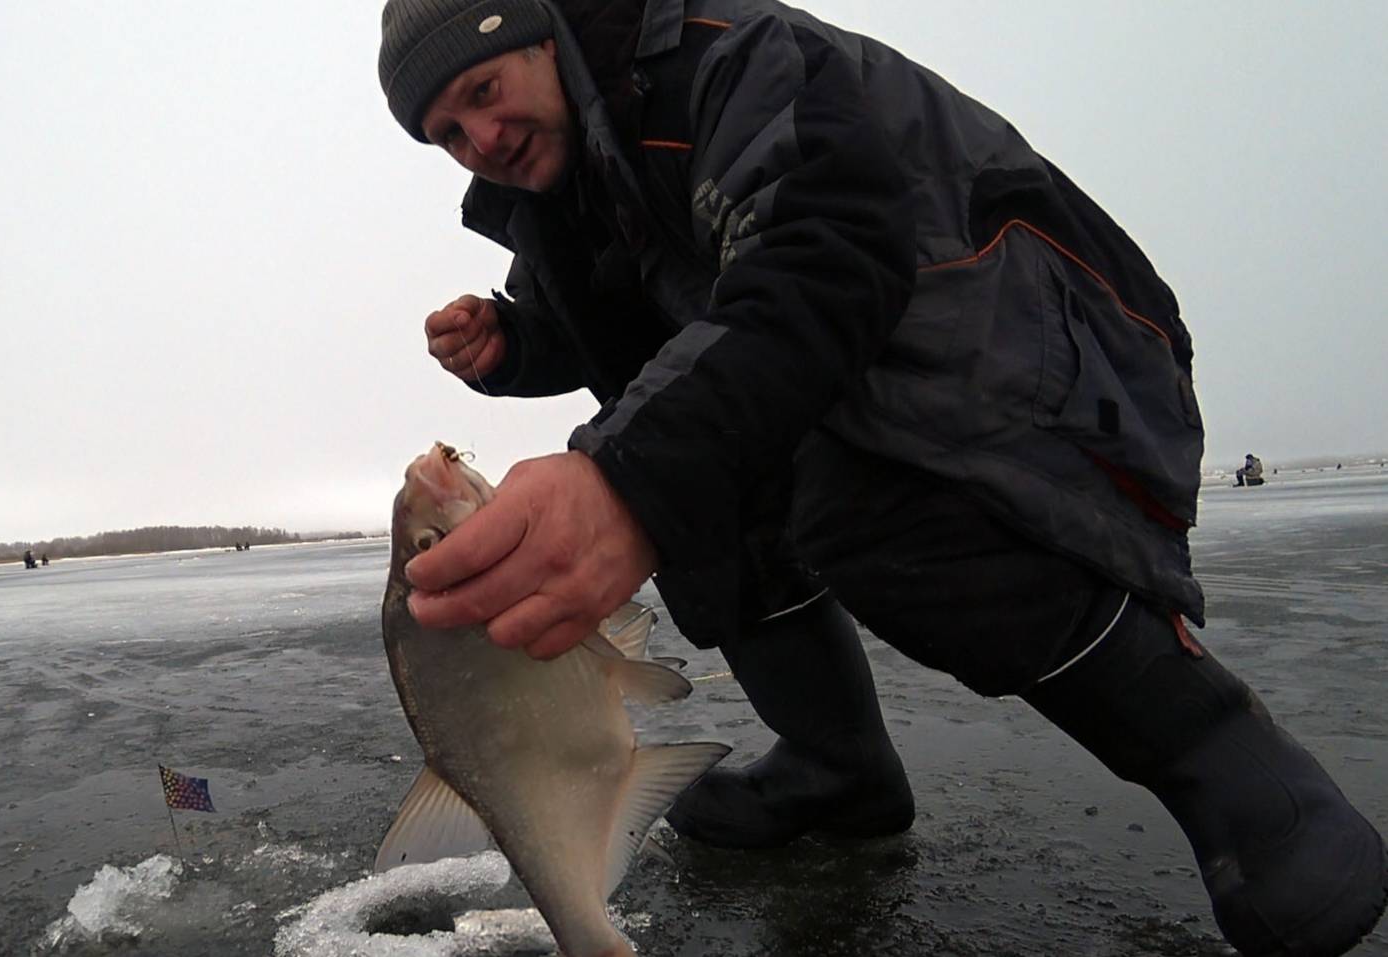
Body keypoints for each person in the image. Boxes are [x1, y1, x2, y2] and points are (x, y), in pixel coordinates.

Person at [375, 2, 1386, 954]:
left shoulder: (723, 59)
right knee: (696, 473)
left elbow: (821, 259)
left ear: (542, 31)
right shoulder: (558, 203)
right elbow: (620, 342)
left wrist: (629, 480)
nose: (478, 139)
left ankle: (1218, 755)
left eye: (480, 89)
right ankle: (839, 767)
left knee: (845, 491)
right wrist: (511, 344)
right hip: (830, 352)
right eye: (447, 136)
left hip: (1014, 331)